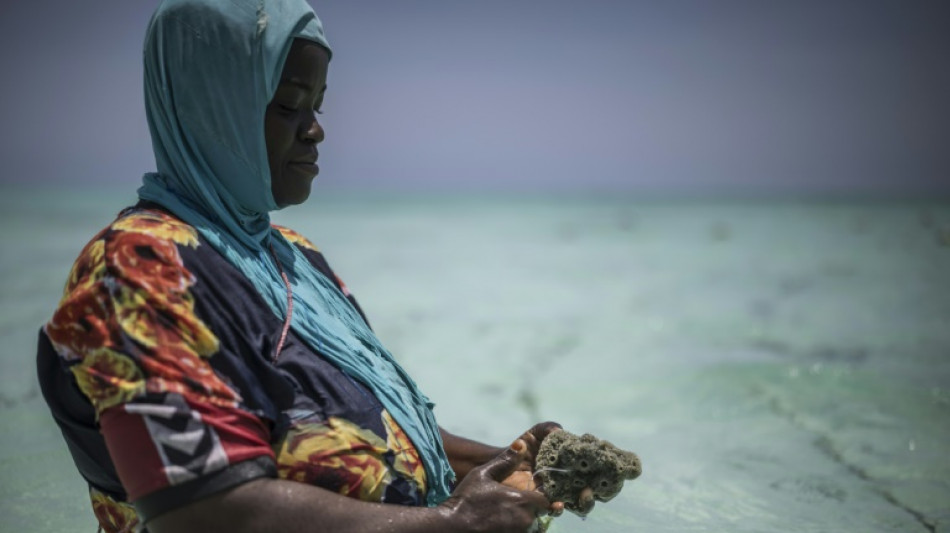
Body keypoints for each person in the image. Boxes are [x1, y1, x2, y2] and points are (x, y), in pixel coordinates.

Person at [35, 0, 565, 531]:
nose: (315, 131)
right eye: (288, 106)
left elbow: (373, 429)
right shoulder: (138, 267)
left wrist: (504, 466)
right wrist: (457, 523)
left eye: (317, 105)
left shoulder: (290, 254)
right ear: (210, 110)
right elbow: (206, 512)